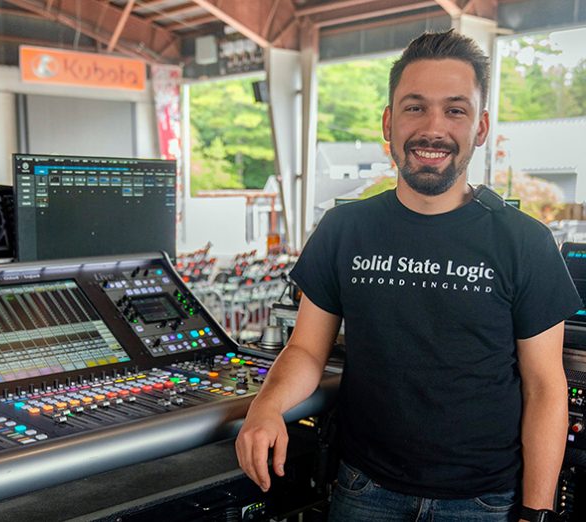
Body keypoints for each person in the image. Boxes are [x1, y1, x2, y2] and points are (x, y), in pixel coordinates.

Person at [235, 30, 582, 522]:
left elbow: (545, 387)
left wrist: (536, 512)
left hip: (483, 503)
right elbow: (307, 349)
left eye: (455, 110)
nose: (433, 128)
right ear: (388, 122)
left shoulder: (525, 241)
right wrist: (266, 406)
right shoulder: (344, 229)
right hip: (364, 490)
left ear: (481, 127)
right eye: (415, 107)